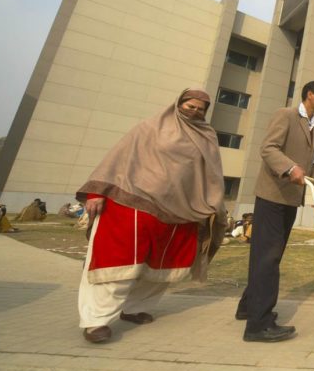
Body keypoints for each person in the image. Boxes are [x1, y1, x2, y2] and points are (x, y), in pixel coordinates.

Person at [76, 88, 226, 344]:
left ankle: (134, 308)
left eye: (201, 109)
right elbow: (117, 158)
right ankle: (95, 321)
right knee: (117, 266)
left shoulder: (207, 136)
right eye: (190, 106)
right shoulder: (150, 128)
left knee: (165, 266)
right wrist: (96, 193)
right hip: (134, 202)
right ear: (178, 104)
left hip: (182, 211)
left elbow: (211, 175)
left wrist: (213, 205)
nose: (195, 112)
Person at [236, 81, 314, 343]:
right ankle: (258, 325)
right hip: (272, 196)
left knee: (269, 257)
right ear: (309, 95)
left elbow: (307, 166)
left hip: (290, 200)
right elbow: (268, 149)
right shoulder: (286, 115)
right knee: (267, 258)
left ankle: (247, 307)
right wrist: (289, 169)